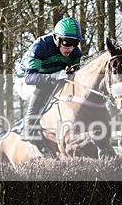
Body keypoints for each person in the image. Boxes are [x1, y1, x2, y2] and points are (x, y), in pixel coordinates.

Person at [14, 16, 84, 153]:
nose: (71, 48)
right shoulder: (40, 46)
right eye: (67, 42)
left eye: (75, 43)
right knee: (44, 86)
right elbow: (30, 78)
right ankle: (29, 127)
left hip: (50, 78)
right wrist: (55, 76)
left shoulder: (76, 53)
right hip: (25, 80)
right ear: (57, 38)